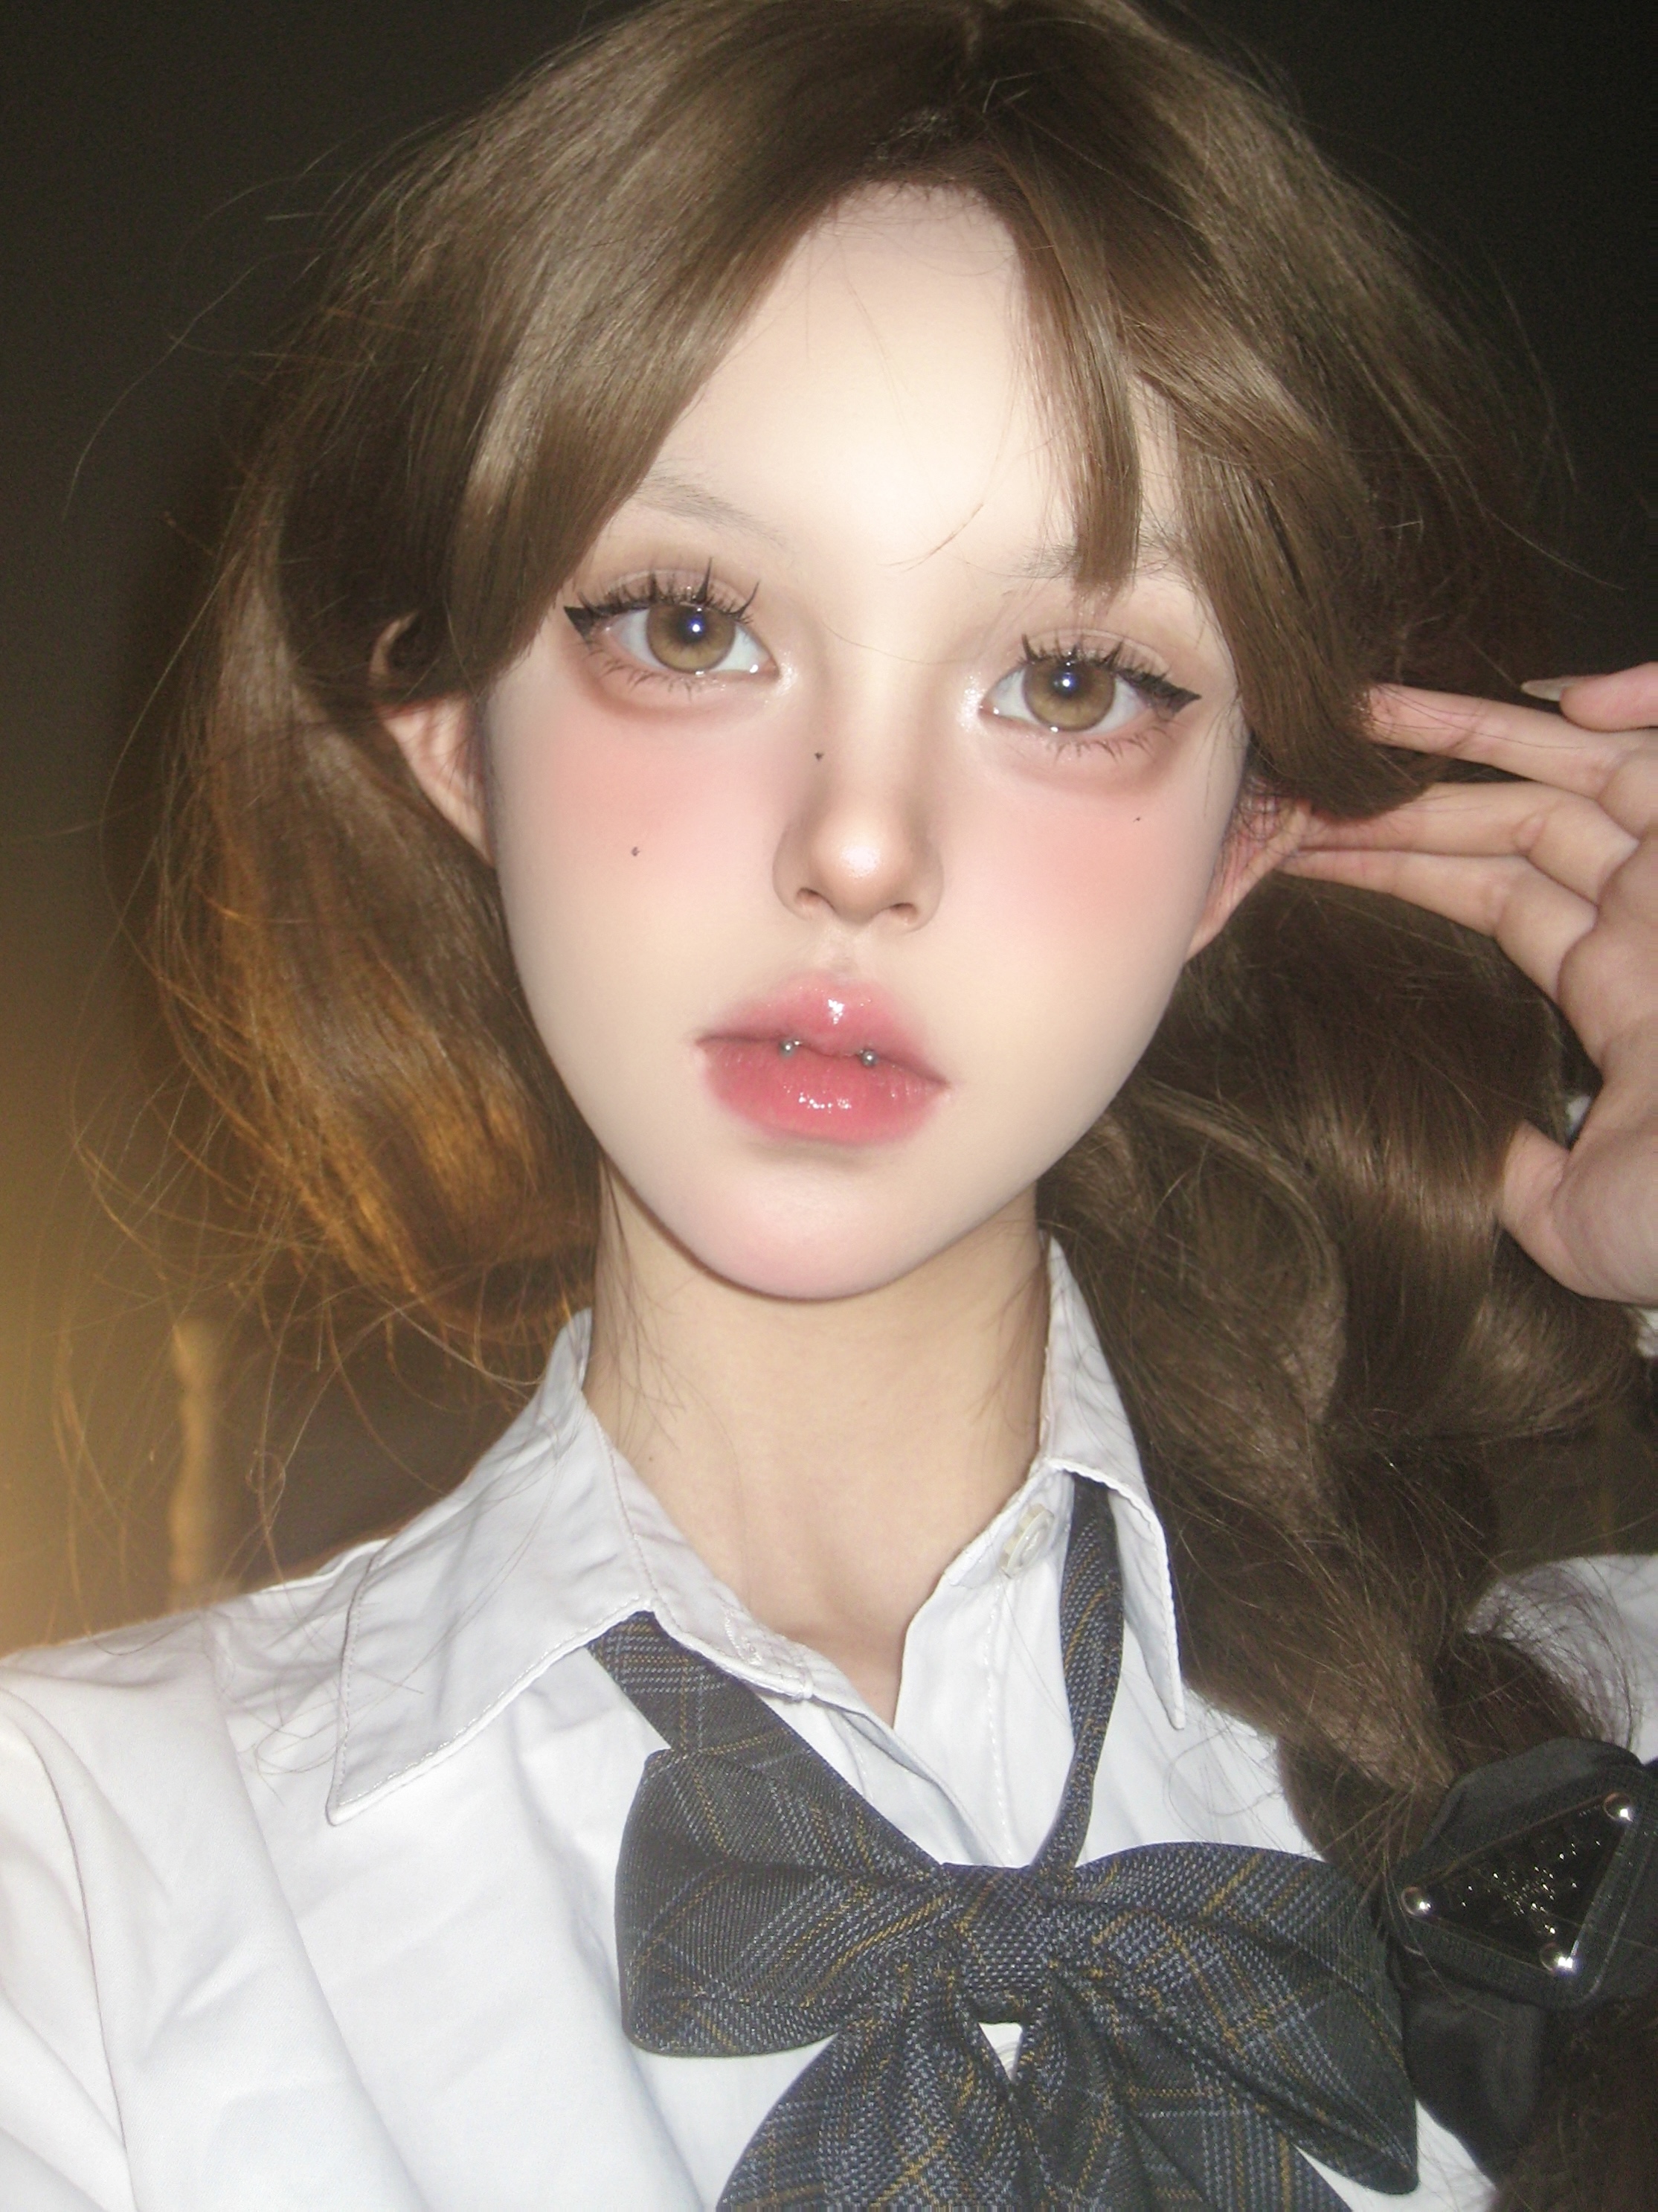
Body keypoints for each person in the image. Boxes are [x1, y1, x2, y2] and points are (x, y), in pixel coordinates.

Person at [1, 0, 1653, 2205]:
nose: (859, 847)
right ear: (456, 739)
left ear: (1244, 839)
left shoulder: (1606, 1724)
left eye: (1072, 679)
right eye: (691, 628)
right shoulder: (75, 1897)